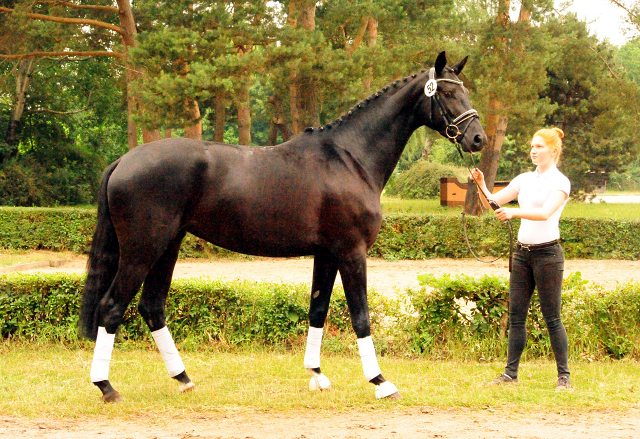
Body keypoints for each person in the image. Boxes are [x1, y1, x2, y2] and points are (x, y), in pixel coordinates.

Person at [471, 127, 572, 391]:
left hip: (548, 254)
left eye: (539, 146)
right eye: (532, 147)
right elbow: (491, 203)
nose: (533, 151)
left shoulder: (560, 182)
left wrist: (514, 214)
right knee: (516, 316)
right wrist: (482, 185)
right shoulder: (524, 179)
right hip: (521, 254)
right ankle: (510, 374)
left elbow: (546, 213)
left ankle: (564, 377)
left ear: (553, 150)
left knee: (552, 318)